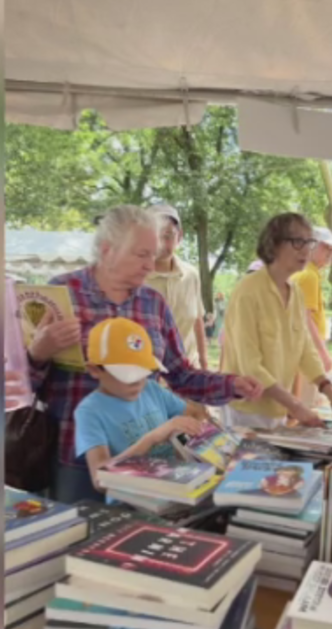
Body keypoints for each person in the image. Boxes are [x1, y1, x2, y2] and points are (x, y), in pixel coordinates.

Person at [27, 205, 262, 503]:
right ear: (107, 250)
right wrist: (37, 353)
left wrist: (231, 385)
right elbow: (18, 384)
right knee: (78, 538)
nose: (151, 265)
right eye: (141, 254)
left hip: (146, 461)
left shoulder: (153, 303)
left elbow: (179, 374)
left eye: (154, 254)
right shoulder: (61, 292)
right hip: (75, 456)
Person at [221, 214, 332, 430]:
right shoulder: (247, 291)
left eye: (309, 242)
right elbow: (251, 367)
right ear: (273, 244)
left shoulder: (295, 292)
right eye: (297, 242)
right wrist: (297, 406)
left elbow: (305, 350)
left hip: (278, 409)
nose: (305, 250)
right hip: (246, 412)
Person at [75, 317, 205, 493]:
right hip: (131, 502)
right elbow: (99, 479)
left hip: (175, 490)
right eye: (127, 374)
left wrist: (185, 435)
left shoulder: (152, 389)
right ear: (94, 370)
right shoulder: (89, 411)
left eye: (142, 371)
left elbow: (196, 413)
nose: (137, 382)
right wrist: (151, 439)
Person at [145, 204, 210, 370]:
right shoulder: (134, 277)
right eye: (156, 236)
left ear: (179, 237)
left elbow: (197, 321)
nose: (161, 244)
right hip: (147, 376)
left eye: (168, 236)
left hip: (187, 373)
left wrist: (204, 364)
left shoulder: (190, 275)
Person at [291, 226, 332, 404]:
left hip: (298, 350)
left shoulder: (304, 272)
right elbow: (305, 319)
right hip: (306, 352)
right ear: (311, 246)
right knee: (306, 407)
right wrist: (323, 353)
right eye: (326, 246)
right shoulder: (309, 276)